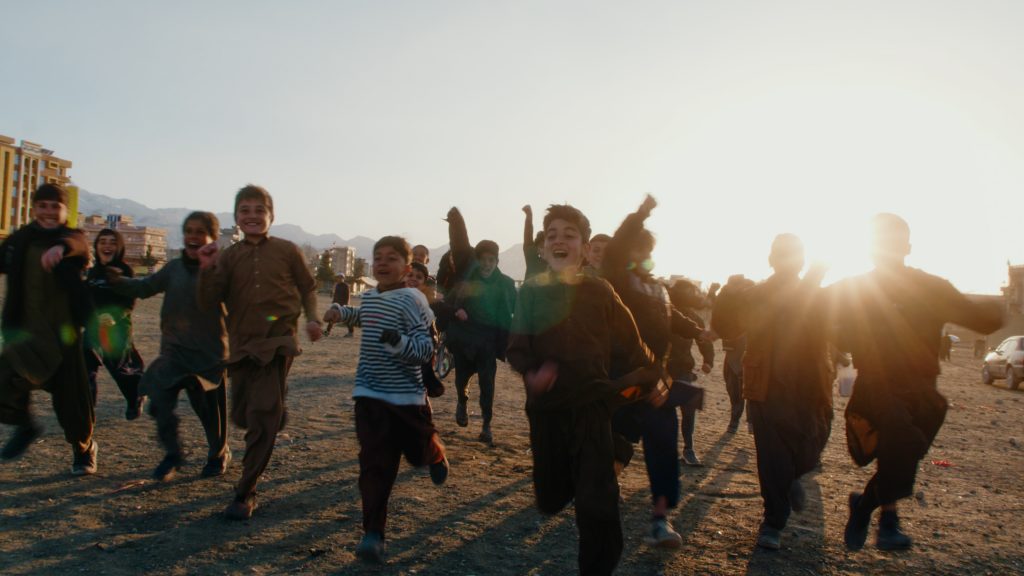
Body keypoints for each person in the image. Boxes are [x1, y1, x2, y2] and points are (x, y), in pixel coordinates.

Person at [832, 213, 1002, 551]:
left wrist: (998, 314)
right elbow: (828, 324)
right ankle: (888, 521)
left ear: (907, 248)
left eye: (894, 244)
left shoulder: (931, 287)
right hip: (877, 386)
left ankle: (865, 505)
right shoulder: (857, 289)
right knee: (900, 438)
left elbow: (978, 318)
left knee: (902, 452)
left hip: (923, 391)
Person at [507, 204, 656, 576]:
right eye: (552, 235)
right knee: (551, 496)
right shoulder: (530, 293)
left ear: (585, 248)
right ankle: (615, 452)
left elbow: (633, 343)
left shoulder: (600, 291)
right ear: (542, 249)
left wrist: (655, 376)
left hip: (592, 405)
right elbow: (516, 346)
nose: (559, 240)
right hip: (547, 409)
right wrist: (532, 372)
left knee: (596, 501)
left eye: (569, 235)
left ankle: (597, 568)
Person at [197, 184, 323, 520]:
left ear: (271, 215)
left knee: (261, 418)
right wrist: (207, 268)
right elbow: (209, 300)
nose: (252, 216)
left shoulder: (287, 250)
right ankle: (271, 411)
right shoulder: (228, 257)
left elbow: (308, 287)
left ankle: (245, 491)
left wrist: (312, 319)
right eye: (245, 210)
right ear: (236, 217)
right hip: (240, 348)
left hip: (277, 344)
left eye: (259, 210)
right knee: (243, 415)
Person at [323, 235, 449, 564]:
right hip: (370, 395)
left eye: (391, 258)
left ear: (406, 268)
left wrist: (399, 343)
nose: (381, 262)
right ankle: (373, 534)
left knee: (417, 455)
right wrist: (339, 311)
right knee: (374, 465)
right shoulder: (370, 297)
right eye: (377, 257)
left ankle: (433, 451)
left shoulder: (413, 301)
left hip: (407, 398)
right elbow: (362, 316)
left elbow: (425, 350)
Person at [711, 234, 834, 550]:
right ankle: (773, 523)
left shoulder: (818, 296)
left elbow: (844, 325)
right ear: (771, 260)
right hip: (766, 388)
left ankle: (796, 476)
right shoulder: (756, 295)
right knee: (772, 458)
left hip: (811, 388)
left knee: (813, 443)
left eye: (794, 255)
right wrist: (726, 295)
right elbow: (727, 327)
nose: (787, 261)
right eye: (781, 255)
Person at [602, 195, 707, 548]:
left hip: (654, 382)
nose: (640, 255)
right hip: (619, 379)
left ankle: (660, 520)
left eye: (645, 249)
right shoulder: (615, 278)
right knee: (613, 441)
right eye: (636, 248)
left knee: (663, 444)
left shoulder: (658, 288)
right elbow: (616, 245)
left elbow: (672, 317)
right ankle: (603, 488)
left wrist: (698, 330)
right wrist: (641, 214)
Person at [109, 212, 230, 481]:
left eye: (200, 231)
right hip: (174, 350)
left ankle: (218, 453)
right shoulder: (173, 268)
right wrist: (117, 282)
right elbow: (145, 287)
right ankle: (173, 453)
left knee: (209, 412)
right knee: (160, 398)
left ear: (212, 238)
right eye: (189, 230)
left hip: (209, 354)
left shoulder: (220, 269)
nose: (193, 236)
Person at [0, 183, 97, 475]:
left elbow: (79, 245)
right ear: (33, 208)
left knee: (72, 403)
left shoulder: (71, 237)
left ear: (66, 211)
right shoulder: (21, 239)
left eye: (55, 206)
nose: (48, 212)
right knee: (3, 378)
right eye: (42, 205)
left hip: (62, 335)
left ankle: (84, 450)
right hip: (26, 332)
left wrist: (60, 248)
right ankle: (25, 425)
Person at [443, 208, 516, 444]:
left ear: (497, 261)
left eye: (491, 260)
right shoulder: (468, 276)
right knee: (462, 378)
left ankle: (487, 424)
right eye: (482, 259)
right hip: (464, 338)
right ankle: (462, 402)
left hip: (488, 341)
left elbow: (518, 310)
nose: (486, 264)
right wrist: (456, 220)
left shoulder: (505, 284)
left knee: (487, 383)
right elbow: (460, 244)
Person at [84, 228, 146, 419]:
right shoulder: (93, 273)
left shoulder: (125, 270)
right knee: (85, 366)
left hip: (117, 327)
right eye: (103, 241)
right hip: (94, 327)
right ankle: (86, 409)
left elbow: (129, 300)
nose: (107, 246)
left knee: (121, 370)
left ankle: (136, 396)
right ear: (96, 246)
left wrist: (113, 316)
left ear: (118, 247)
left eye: (112, 242)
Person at [666, 279, 715, 466]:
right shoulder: (663, 311)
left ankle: (688, 449)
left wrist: (708, 361)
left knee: (688, 410)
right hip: (661, 370)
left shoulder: (694, 318)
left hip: (684, 368)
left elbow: (704, 340)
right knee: (664, 413)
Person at [717, 275, 754, 433]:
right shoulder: (732, 309)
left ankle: (752, 423)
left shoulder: (758, 312)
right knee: (733, 391)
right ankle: (735, 420)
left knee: (753, 393)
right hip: (733, 358)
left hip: (753, 360)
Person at [521, 204, 548, 281]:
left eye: (546, 247)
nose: (544, 250)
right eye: (541, 247)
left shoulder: (558, 264)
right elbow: (528, 236)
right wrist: (529, 215)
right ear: (537, 249)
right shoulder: (532, 259)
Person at [331, 273, 355, 337]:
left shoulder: (345, 286)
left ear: (343, 278)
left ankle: (351, 332)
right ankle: (327, 331)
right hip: (336, 304)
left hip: (343, 305)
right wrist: (333, 302)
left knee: (347, 318)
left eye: (340, 278)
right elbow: (335, 295)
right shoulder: (337, 285)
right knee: (332, 317)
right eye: (338, 278)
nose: (339, 279)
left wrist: (346, 305)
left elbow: (347, 296)